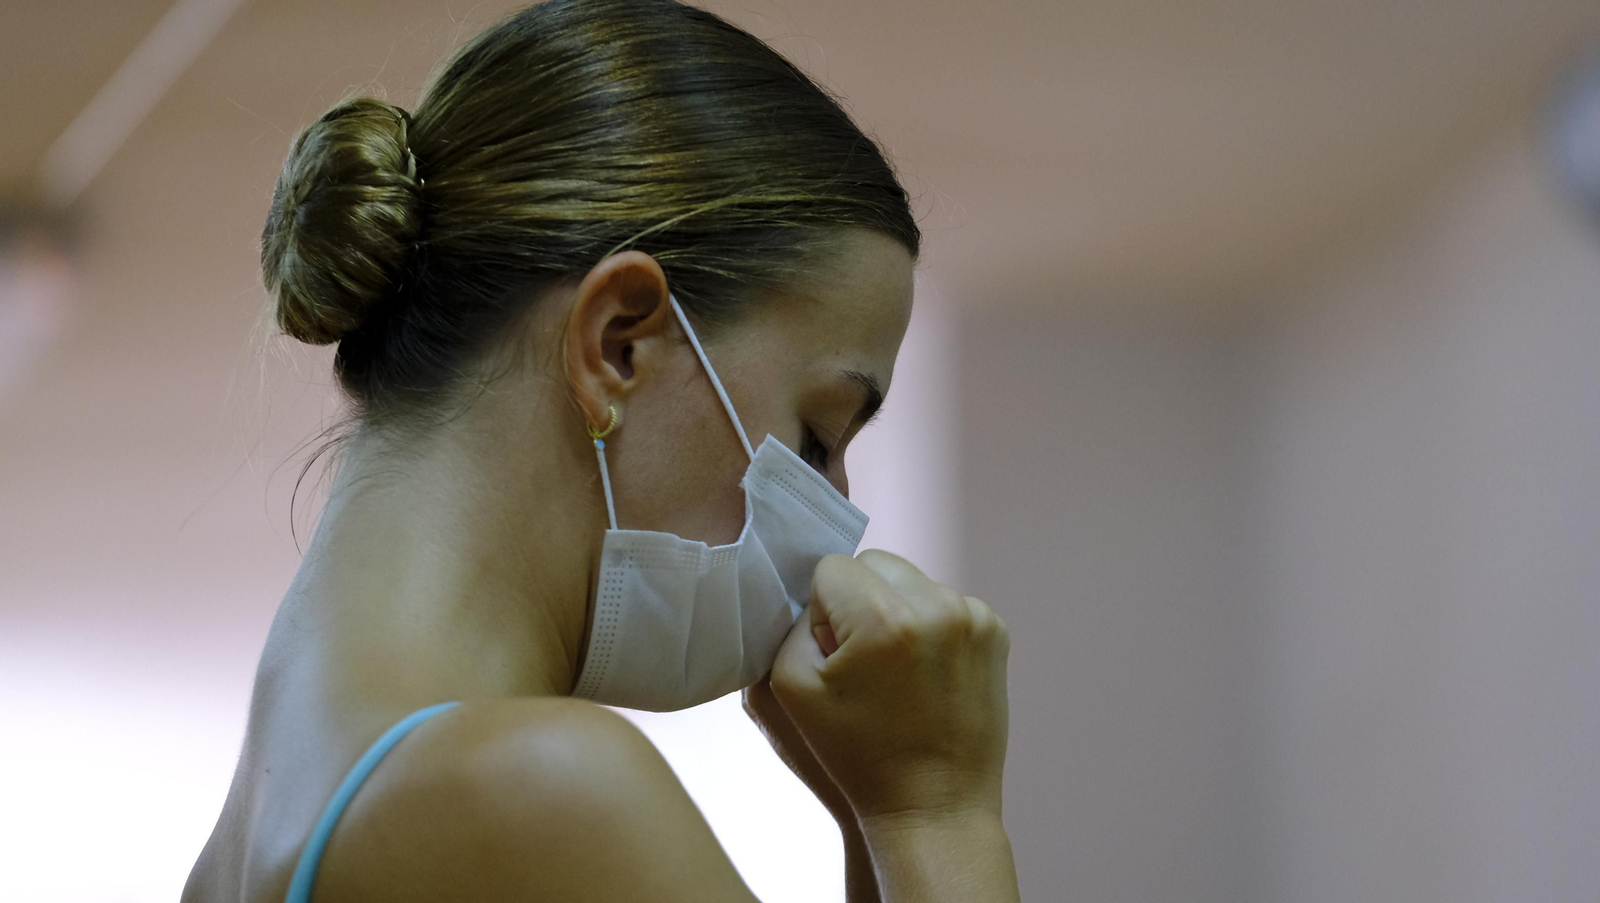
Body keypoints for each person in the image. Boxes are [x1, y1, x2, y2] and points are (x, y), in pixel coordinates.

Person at [182, 1, 1017, 900]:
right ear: (619, 343)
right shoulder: (534, 793)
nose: (836, 529)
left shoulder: (247, 849)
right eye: (817, 435)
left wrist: (868, 821)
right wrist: (938, 811)